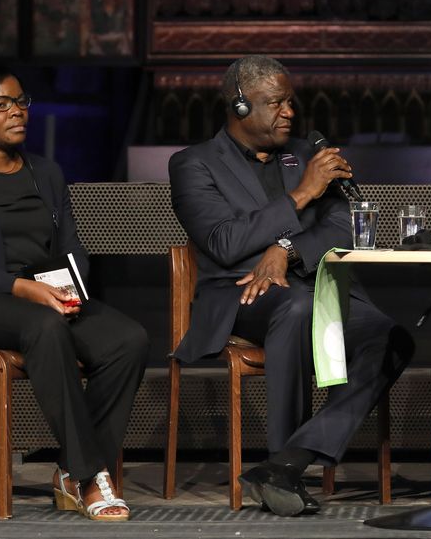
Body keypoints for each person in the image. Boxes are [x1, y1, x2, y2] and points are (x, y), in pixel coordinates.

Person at [168, 54, 414, 517]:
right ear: (240, 107)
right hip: (241, 294)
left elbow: (346, 225)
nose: (290, 113)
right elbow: (224, 242)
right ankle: (285, 462)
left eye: (290, 102)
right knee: (296, 309)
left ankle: (285, 464)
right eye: (276, 103)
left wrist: (288, 248)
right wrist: (303, 194)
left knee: (392, 338)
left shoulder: (308, 153)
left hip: (319, 286)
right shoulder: (193, 164)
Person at [0, 61, 148, 522]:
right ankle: (88, 476)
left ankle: (67, 469)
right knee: (43, 326)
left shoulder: (46, 171)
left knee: (128, 340)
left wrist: (71, 286)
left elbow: (72, 246)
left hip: (41, 297)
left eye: (21, 102)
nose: (17, 112)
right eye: (1, 104)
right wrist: (19, 287)